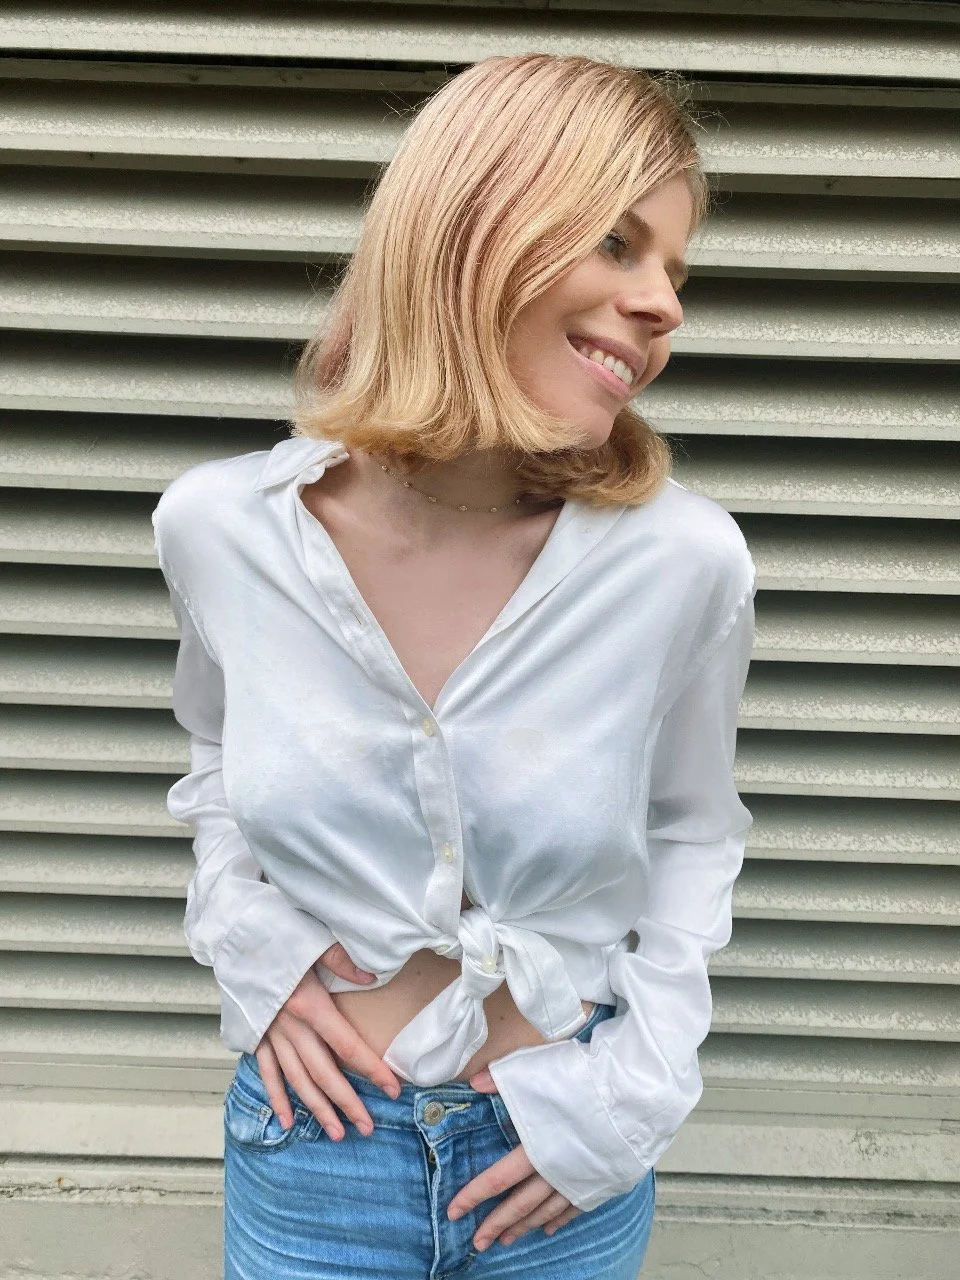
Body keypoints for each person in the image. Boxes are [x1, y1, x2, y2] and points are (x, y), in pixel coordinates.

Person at [152, 53, 756, 1280]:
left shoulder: (683, 561)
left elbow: (693, 831)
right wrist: (255, 957)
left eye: (677, 272)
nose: (667, 307)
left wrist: (629, 1099)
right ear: (468, 225)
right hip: (314, 1136)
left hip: (562, 1149)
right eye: (619, 244)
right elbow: (216, 766)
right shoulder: (218, 530)